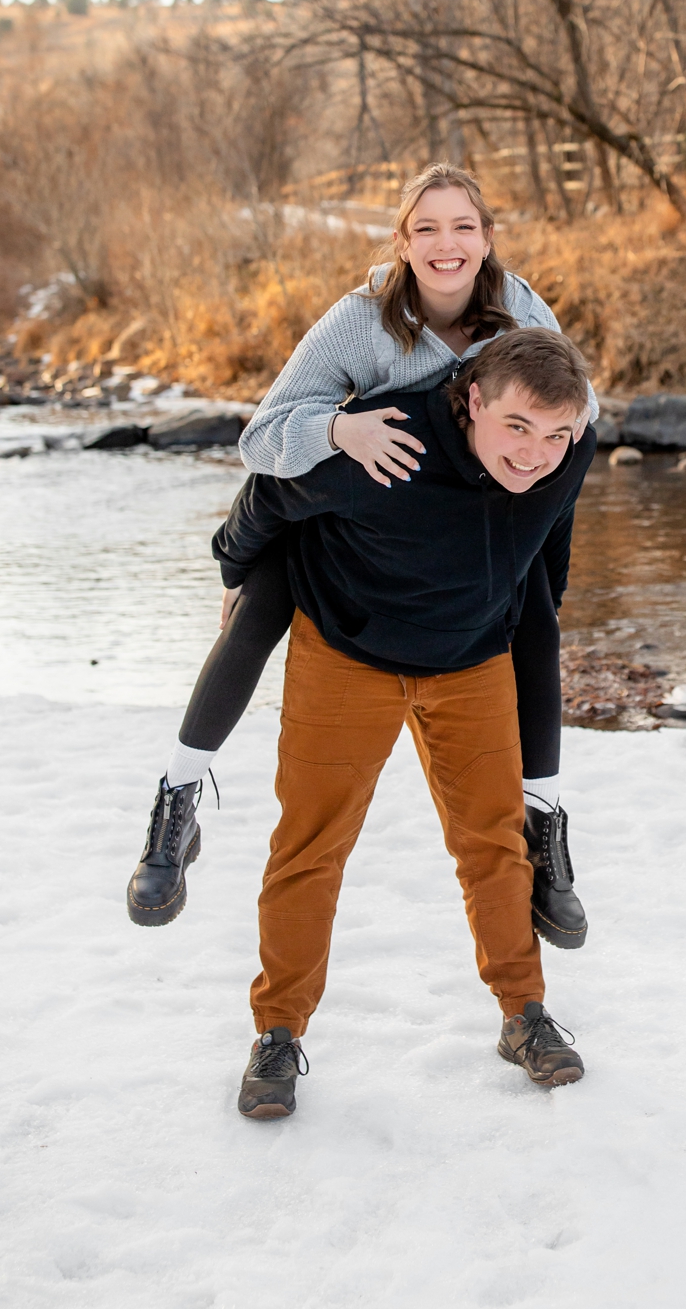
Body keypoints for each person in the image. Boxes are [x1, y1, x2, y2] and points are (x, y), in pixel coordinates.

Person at [125, 164, 597, 949]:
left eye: (464, 228)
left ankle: (544, 831)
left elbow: (574, 395)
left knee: (536, 612)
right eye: (428, 229)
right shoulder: (359, 321)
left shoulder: (518, 307)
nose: (448, 245)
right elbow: (259, 441)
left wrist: (553, 438)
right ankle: (174, 807)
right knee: (258, 607)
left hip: (467, 511)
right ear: (403, 241)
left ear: (486, 238)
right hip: (341, 508)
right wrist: (342, 431)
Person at [212, 326, 601, 1118]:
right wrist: (236, 572)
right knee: (311, 846)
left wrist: (534, 612)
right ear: (473, 400)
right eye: (517, 428)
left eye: (556, 434)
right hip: (346, 651)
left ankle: (523, 1014)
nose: (534, 454)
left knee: (493, 844)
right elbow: (271, 496)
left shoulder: (566, 453)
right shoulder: (391, 443)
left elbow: (547, 542)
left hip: (471, 660)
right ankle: (277, 1034)